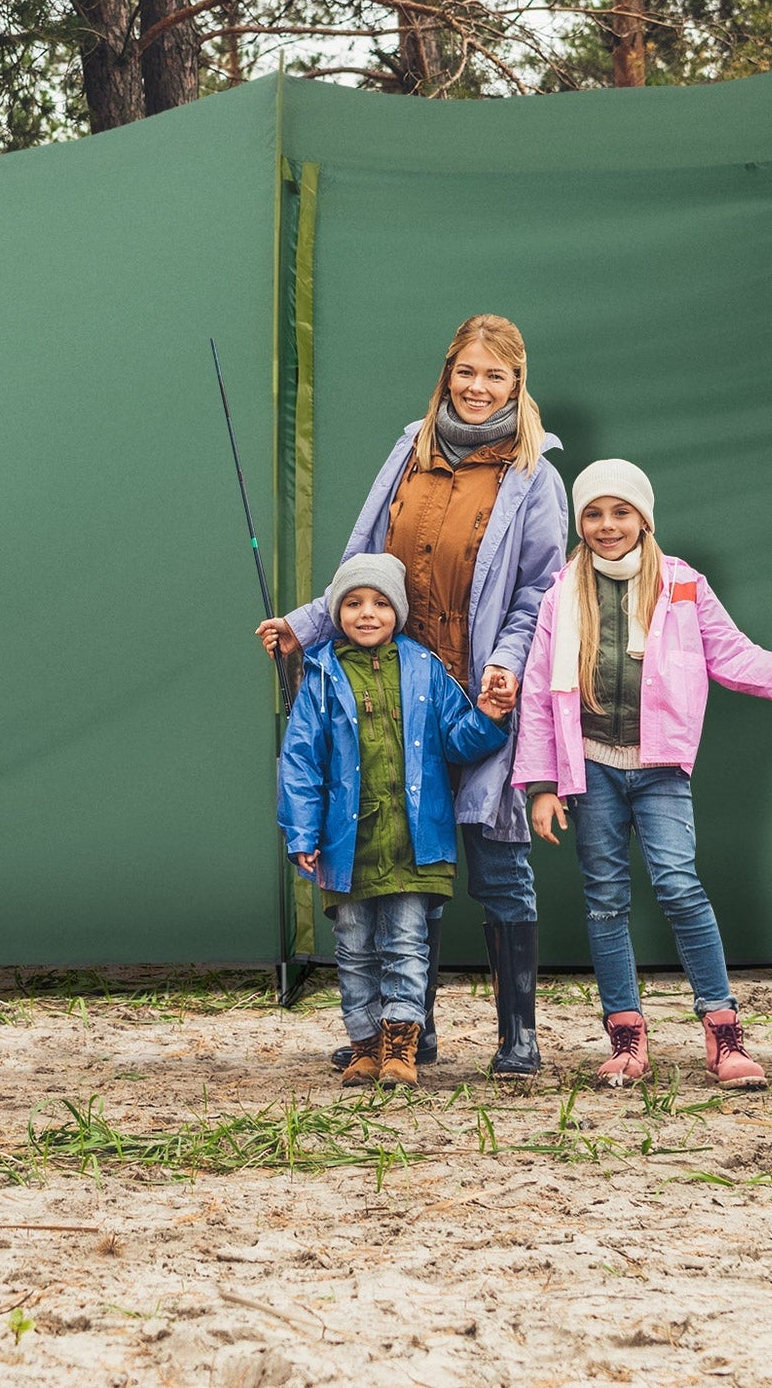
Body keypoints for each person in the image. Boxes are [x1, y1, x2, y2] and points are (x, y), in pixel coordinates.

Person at [258, 314, 568, 1076]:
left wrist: (506, 663)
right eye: (466, 371)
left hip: (479, 683)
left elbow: (540, 590)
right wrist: (304, 624)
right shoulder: (410, 451)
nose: (476, 387)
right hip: (391, 686)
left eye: (494, 375)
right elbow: (359, 560)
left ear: (517, 383)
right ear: (447, 373)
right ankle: (407, 1030)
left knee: (498, 862)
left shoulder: (536, 475)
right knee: (394, 860)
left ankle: (517, 1036)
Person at [512, 462, 772, 1088]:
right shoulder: (561, 592)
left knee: (679, 885)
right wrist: (542, 786)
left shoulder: (682, 583)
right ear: (580, 523)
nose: (607, 526)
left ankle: (723, 1031)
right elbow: (539, 695)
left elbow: (729, 652)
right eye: (594, 515)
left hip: (659, 768)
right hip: (593, 769)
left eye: (620, 512)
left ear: (644, 519)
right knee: (605, 900)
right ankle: (627, 1039)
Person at [277, 553, 509, 1087]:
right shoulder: (318, 675)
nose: (366, 613)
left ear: (398, 612)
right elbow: (301, 760)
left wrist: (492, 718)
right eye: (354, 602)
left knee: (407, 944)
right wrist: (303, 831)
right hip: (345, 844)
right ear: (336, 612)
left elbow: (457, 740)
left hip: (413, 841)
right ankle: (363, 1046)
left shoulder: (425, 668)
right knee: (354, 948)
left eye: (380, 603)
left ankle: (401, 1048)